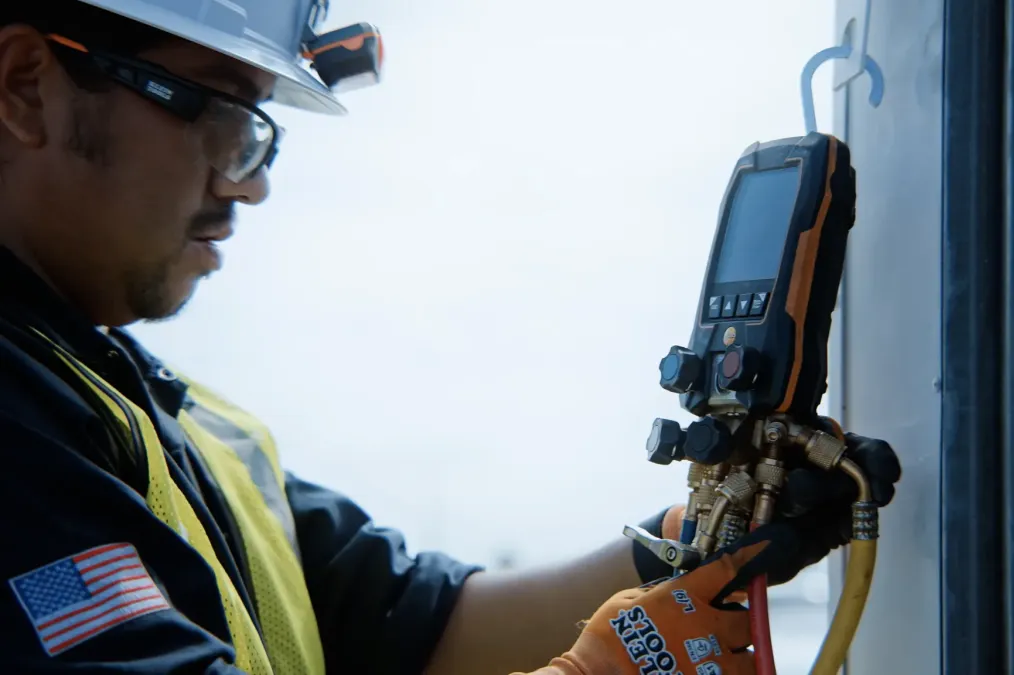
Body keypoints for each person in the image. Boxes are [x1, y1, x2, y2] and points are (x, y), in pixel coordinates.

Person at [0, 1, 903, 674]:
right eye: (220, 113)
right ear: (24, 86)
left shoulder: (159, 411)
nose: (249, 181)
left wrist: (683, 543)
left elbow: (420, 627)